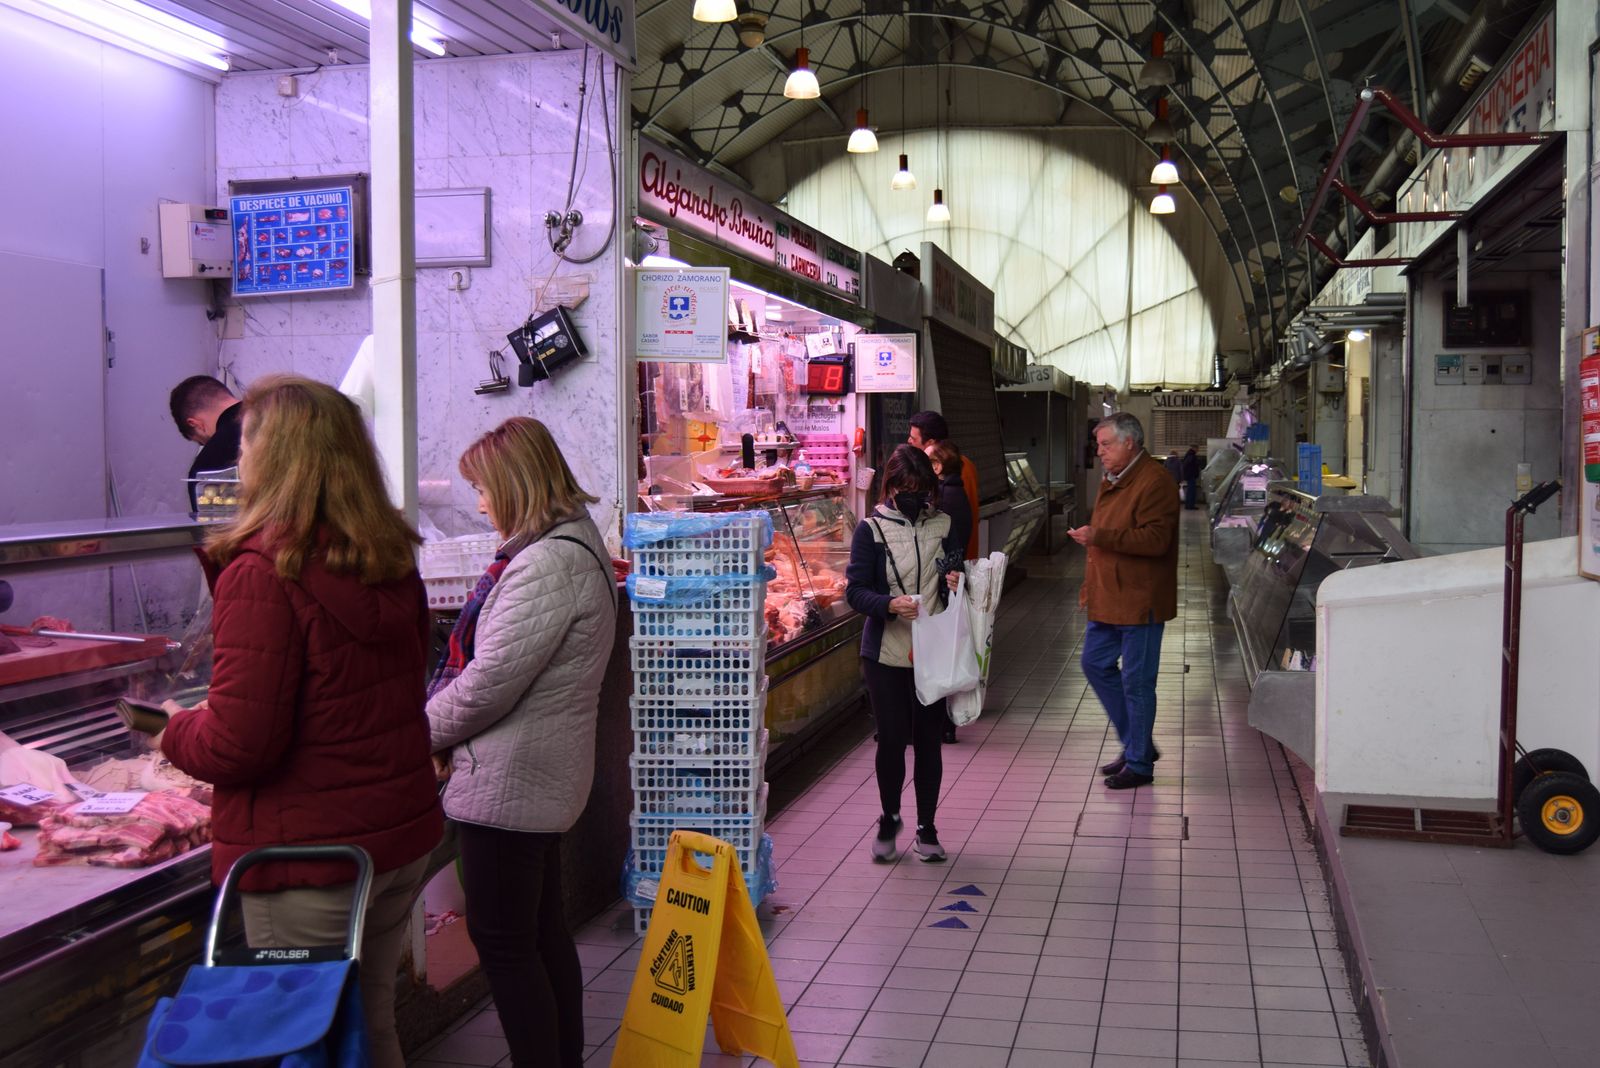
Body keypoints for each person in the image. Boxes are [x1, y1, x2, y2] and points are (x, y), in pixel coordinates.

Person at [160, 375, 444, 1068]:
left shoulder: (264, 571)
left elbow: (238, 745)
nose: (239, 456)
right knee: (368, 1028)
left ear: (273, 457)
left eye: (249, 441)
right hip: (396, 840)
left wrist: (170, 729)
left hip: (308, 860)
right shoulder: (387, 557)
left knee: (301, 1045)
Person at [425, 416, 617, 1068]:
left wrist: (417, 734)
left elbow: (487, 686)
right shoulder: (573, 544)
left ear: (516, 484)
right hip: (542, 776)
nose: (479, 503)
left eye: (483, 488)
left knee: (506, 943)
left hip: (512, 782)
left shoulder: (545, 564)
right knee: (538, 933)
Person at [847, 444, 963, 862]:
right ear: (891, 487)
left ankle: (926, 827)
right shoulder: (871, 530)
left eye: (923, 490)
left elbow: (956, 570)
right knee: (892, 741)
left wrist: (955, 579)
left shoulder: (945, 523)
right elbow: (855, 591)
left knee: (929, 742)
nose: (915, 498)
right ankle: (889, 816)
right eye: (906, 489)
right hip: (885, 654)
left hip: (931, 651)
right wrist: (888, 605)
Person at [1068, 412, 1179, 789]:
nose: (1099, 452)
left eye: (1105, 444)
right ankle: (1138, 743)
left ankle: (1140, 764)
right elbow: (1102, 540)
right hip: (1108, 596)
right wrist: (1089, 585)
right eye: (1098, 444)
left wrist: (1100, 536)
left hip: (1139, 598)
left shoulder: (1154, 481)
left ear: (1129, 442)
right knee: (1095, 663)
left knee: (1136, 682)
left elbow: (1155, 540)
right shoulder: (1113, 479)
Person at [924, 438, 973, 744]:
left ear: (937, 467)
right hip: (949, 582)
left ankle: (942, 724)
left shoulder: (945, 498)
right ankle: (943, 723)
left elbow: (946, 547)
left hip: (944, 585)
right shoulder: (956, 492)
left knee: (940, 654)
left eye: (926, 461)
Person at [908, 410, 979, 561]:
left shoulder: (956, 472)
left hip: (955, 561)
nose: (909, 441)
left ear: (931, 443)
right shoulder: (964, 463)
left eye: (914, 438)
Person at [170, 375, 243, 505]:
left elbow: (216, 524)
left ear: (196, 424)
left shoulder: (206, 470)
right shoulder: (284, 411)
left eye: (202, 442)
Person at [1182, 445, 1203, 510]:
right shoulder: (1191, 456)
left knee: (1190, 491)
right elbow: (1191, 465)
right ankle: (1190, 505)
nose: (1198, 450)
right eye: (1197, 448)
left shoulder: (1188, 455)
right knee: (1191, 491)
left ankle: (1188, 505)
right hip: (1191, 476)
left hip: (1189, 476)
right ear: (1194, 448)